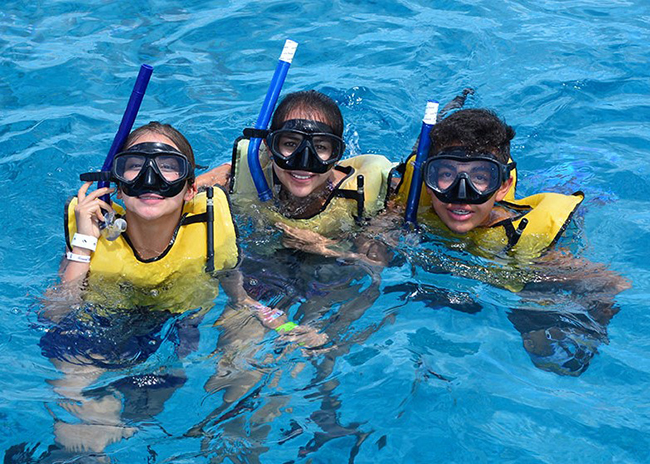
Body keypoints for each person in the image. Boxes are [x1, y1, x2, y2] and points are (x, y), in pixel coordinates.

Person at [40, 122, 325, 456]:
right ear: (116, 188)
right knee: (83, 426)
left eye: (168, 168)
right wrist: (84, 242)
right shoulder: (92, 230)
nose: (151, 180)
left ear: (190, 189)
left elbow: (242, 301)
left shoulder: (208, 231)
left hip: (174, 328)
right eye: (134, 167)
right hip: (97, 327)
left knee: (148, 411)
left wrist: (290, 327)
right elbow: (57, 312)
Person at [198, 90, 394, 238]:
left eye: (321, 147)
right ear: (269, 145)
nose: (304, 162)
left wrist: (326, 248)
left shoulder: (364, 196)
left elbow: (374, 263)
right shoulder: (236, 176)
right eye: (290, 144)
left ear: (336, 153)